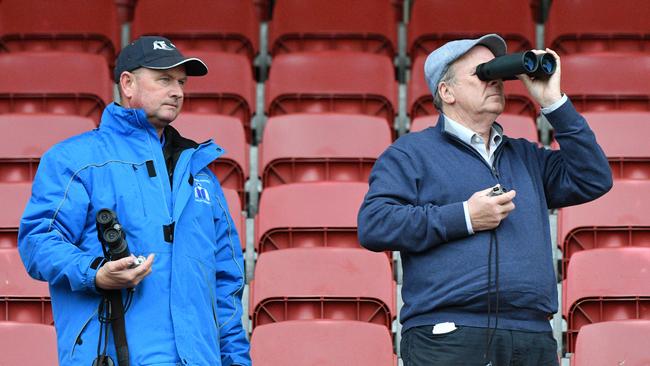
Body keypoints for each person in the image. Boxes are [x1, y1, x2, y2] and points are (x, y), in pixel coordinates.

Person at [357, 34, 612, 365]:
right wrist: (464, 216)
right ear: (446, 92)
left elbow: (593, 178)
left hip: (531, 335)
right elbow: (375, 224)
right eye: (482, 73)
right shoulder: (410, 154)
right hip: (448, 334)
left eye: (497, 73)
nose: (495, 82)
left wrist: (554, 103)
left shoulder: (526, 156)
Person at [18, 36, 251, 366]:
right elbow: (37, 241)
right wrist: (95, 273)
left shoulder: (202, 175)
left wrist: (237, 361)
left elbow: (226, 283)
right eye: (164, 79)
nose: (178, 91)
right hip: (111, 355)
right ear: (127, 84)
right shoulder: (75, 160)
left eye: (182, 82)